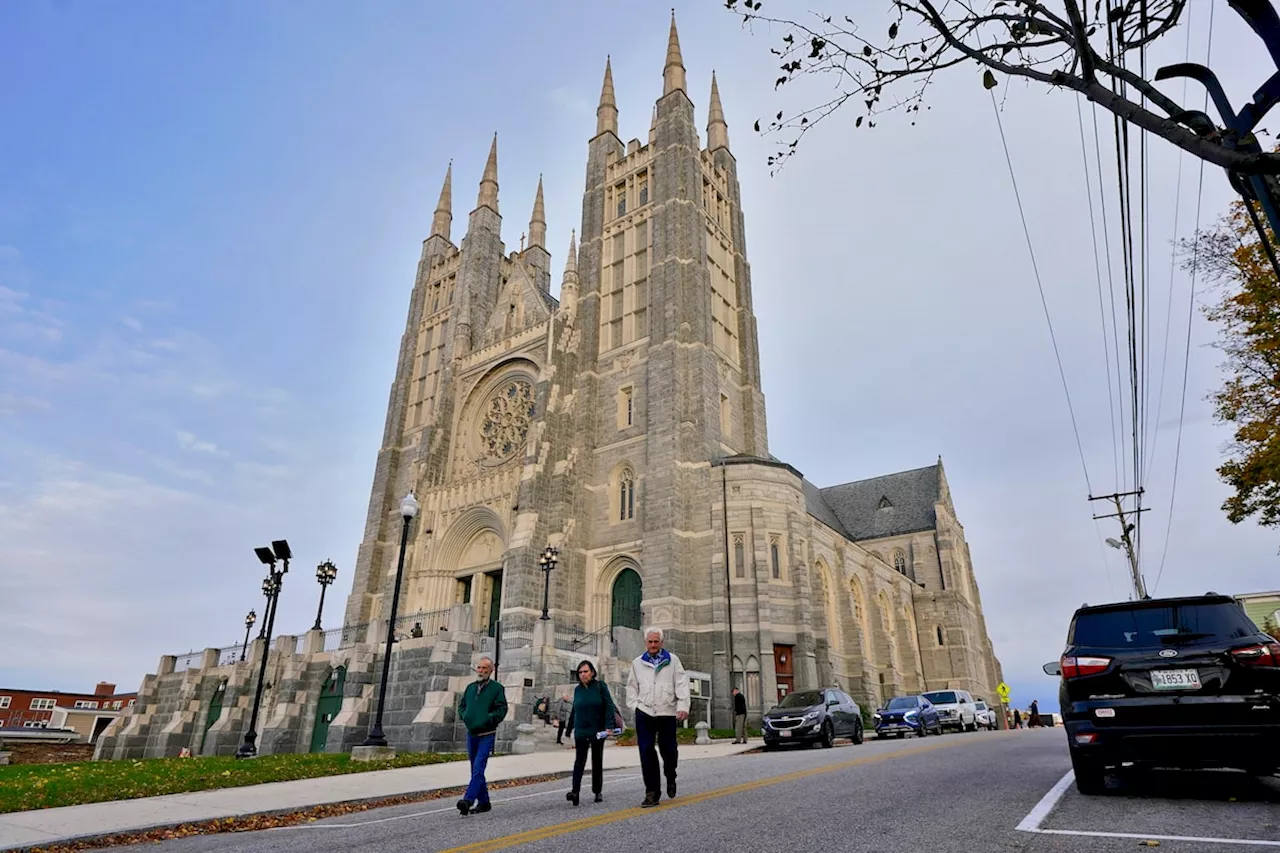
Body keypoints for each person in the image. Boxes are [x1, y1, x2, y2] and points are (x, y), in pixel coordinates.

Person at [625, 627, 690, 808]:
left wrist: (683, 706)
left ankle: (670, 774)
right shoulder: (637, 663)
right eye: (650, 642)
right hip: (644, 711)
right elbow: (631, 687)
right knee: (646, 751)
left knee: (669, 750)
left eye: (656, 642)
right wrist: (635, 705)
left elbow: (682, 684)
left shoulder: (672, 661)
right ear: (646, 643)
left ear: (661, 642)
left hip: (666, 712)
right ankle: (652, 792)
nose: (653, 645)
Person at [456, 657, 507, 816]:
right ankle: (484, 802)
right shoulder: (470, 688)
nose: (481, 671)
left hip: (487, 734)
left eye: (485, 668)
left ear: (491, 670)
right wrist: (465, 716)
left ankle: (468, 800)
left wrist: (489, 719)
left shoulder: (497, 688)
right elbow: (462, 706)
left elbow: (502, 709)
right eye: (479, 667)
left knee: (479, 767)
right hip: (472, 734)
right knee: (475, 770)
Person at [565, 660, 620, 805]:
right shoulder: (577, 690)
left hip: (597, 730)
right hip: (581, 730)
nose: (583, 675)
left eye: (585, 672)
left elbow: (609, 706)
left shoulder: (600, 687)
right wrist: (569, 728)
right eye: (580, 672)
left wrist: (609, 726)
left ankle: (597, 791)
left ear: (592, 672)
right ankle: (575, 791)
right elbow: (575, 710)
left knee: (597, 760)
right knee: (579, 761)